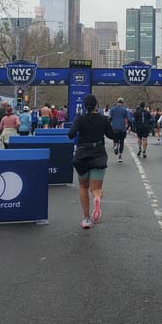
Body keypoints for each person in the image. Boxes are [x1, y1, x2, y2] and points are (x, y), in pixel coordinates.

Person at [68, 94, 115, 229]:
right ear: (96, 105)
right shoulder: (103, 119)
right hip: (98, 153)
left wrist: (77, 128)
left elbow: (70, 134)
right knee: (96, 188)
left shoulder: (79, 119)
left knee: (83, 186)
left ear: (84, 106)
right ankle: (97, 199)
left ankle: (86, 218)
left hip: (82, 154)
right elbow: (111, 135)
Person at [109, 98, 129, 162]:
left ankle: (115, 146)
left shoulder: (112, 109)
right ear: (122, 102)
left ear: (117, 102)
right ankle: (120, 156)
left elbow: (110, 118)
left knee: (115, 139)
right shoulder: (125, 110)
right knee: (122, 141)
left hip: (114, 127)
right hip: (122, 128)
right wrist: (127, 126)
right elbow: (127, 118)